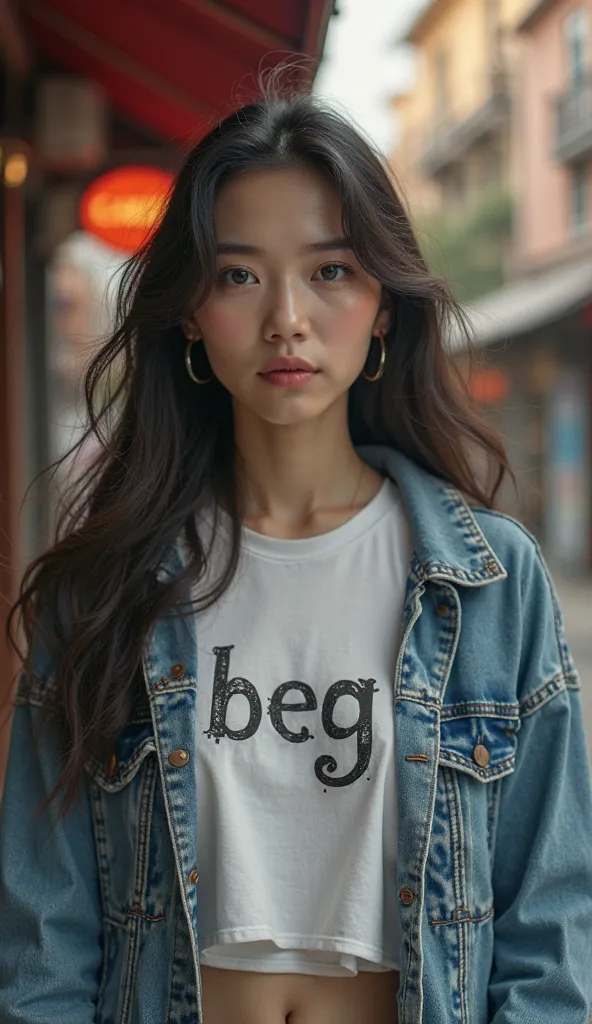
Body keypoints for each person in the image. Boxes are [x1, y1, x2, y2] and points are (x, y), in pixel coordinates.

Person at [1, 80, 591, 1024]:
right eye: (240, 275)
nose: (287, 318)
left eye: (330, 271)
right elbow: (45, 947)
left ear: (385, 305)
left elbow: (550, 926)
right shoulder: (106, 588)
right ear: (191, 309)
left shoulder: (491, 582)